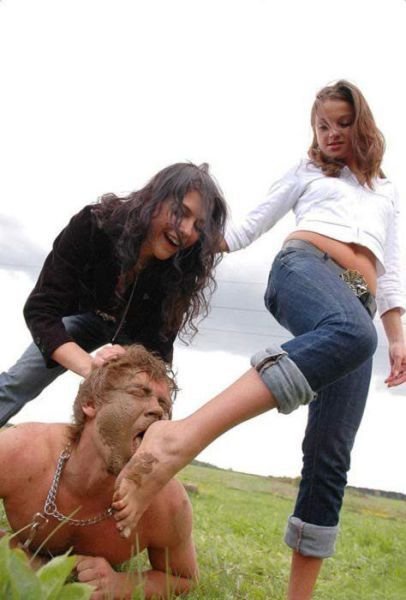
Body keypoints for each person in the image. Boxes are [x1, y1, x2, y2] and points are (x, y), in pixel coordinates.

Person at [109, 81, 406, 599]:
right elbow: (247, 227)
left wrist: (396, 337)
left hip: (358, 310)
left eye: (342, 123)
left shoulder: (387, 190)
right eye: (322, 125)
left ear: (363, 123)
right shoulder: (307, 172)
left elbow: (393, 268)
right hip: (304, 269)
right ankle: (182, 438)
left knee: (331, 455)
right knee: (350, 333)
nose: (332, 133)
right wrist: (188, 236)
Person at [0, 162, 227, 426]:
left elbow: (158, 349)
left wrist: (134, 367)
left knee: (143, 407)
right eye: (180, 212)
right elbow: (41, 311)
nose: (187, 230)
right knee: (19, 382)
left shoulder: (183, 269)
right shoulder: (94, 224)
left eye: (199, 226)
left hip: (134, 339)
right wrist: (90, 368)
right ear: (154, 199)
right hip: (80, 317)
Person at [0, 345, 198, 599]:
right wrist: (11, 550)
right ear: (90, 403)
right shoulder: (22, 449)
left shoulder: (168, 502)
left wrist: (121, 584)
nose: (158, 410)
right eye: (139, 392)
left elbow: (184, 578)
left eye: (164, 404)